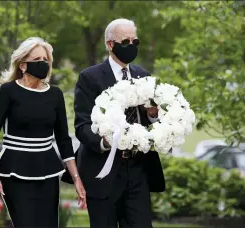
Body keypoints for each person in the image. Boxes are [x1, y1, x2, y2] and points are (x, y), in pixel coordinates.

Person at [68, 18, 166, 228]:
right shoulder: (89, 77)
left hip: (138, 169)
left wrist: (153, 114)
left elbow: (149, 120)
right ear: (110, 44)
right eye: (125, 42)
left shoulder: (143, 75)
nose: (131, 46)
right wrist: (105, 141)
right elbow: (82, 126)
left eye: (135, 42)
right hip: (103, 171)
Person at [0, 37, 86, 227]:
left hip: (47, 172)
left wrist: (76, 178)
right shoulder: (8, 91)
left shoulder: (55, 95)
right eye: (37, 60)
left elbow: (64, 140)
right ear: (23, 65)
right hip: (13, 172)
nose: (43, 64)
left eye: (46, 60)